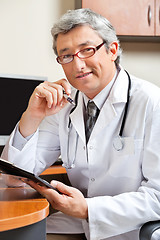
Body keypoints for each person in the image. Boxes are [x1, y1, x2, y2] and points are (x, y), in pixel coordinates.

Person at [2, 8, 160, 240]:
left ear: (112, 50)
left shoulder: (151, 102)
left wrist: (87, 209)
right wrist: (32, 115)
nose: (77, 65)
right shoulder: (64, 105)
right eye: (66, 55)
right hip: (78, 223)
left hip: (130, 229)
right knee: (15, 235)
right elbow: (15, 179)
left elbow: (157, 196)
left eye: (86, 50)